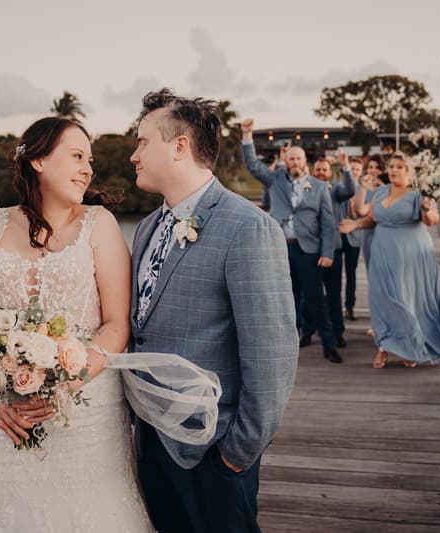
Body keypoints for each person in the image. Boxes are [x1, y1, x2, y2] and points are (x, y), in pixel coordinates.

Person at [0, 117, 154, 531]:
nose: (88, 168)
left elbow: (116, 325)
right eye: (76, 156)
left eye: (90, 160)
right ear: (38, 160)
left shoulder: (100, 224)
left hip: (86, 417)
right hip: (0, 421)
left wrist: (62, 385)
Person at [129, 89, 298, 532]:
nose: (134, 155)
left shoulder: (249, 228)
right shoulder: (147, 228)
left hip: (212, 449)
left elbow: (273, 353)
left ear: (180, 146)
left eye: (143, 142)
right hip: (151, 443)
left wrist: (235, 454)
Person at [340, 152, 440, 369]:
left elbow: (432, 220)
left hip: (410, 254)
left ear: (409, 172)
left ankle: (411, 346)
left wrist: (426, 205)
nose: (393, 170)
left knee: (405, 300)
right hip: (382, 253)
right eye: (392, 166)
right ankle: (384, 346)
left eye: (399, 167)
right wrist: (356, 225)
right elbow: (369, 217)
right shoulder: (382, 191)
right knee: (382, 300)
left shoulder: (418, 193)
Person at [239, 118, 342, 363]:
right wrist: (247, 134)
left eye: (298, 158)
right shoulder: (275, 180)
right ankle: (288, 345)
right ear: (285, 161)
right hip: (281, 249)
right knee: (285, 300)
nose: (294, 162)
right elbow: (252, 165)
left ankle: (329, 344)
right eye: (291, 158)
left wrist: (327, 252)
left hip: (308, 251)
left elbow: (328, 223)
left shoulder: (319, 186)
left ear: (305, 161)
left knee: (316, 299)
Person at [300, 154, 356, 349]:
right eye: (318, 170)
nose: (321, 173)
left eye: (324, 170)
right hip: (311, 249)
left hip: (334, 248)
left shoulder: (336, 190)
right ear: (312, 172)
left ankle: (337, 332)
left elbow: (350, 190)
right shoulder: (305, 190)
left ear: (330, 173)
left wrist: (346, 166)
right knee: (309, 294)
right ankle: (307, 332)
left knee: (334, 293)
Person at [352, 154, 386, 267]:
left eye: (377, 167)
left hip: (385, 234)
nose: (373, 170)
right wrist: (364, 187)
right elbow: (360, 210)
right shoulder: (364, 189)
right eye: (370, 167)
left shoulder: (387, 188)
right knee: (371, 269)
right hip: (369, 235)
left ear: (382, 170)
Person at [341, 157, 364, 320]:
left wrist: (351, 204)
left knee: (351, 273)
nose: (354, 171)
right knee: (332, 274)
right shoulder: (338, 188)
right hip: (337, 236)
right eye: (352, 168)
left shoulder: (363, 191)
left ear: (360, 172)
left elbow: (359, 215)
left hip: (354, 237)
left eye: (357, 169)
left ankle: (350, 306)